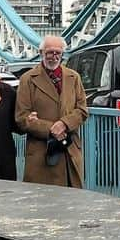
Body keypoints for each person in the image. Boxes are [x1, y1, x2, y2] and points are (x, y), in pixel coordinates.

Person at [15, 36, 88, 188]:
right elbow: (22, 118)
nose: (54, 57)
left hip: (69, 151)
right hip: (42, 154)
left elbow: (82, 110)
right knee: (42, 203)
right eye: (50, 52)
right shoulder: (27, 79)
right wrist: (51, 128)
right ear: (41, 53)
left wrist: (64, 124)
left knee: (72, 202)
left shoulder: (74, 78)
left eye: (58, 53)